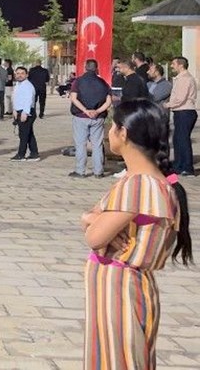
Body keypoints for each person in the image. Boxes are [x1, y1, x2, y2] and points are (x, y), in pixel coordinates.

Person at [80, 99, 193, 369]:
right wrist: (95, 219)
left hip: (120, 288)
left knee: (120, 359)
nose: (109, 132)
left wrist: (91, 220)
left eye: (112, 126)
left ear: (124, 133)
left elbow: (94, 236)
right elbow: (98, 220)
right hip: (124, 285)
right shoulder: (154, 182)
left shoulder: (139, 184)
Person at [69, 59, 113, 179]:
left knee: (81, 144)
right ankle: (98, 171)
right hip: (98, 118)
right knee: (97, 144)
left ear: (85, 67)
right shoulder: (103, 83)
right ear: (96, 68)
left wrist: (85, 110)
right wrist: (97, 111)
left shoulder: (78, 82)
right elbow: (109, 101)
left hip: (81, 116)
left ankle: (80, 170)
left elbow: (74, 98)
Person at [165, 56, 197, 176]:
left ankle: (187, 167)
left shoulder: (185, 79)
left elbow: (180, 98)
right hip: (180, 112)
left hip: (185, 111)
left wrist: (167, 105)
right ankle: (179, 165)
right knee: (178, 139)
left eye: (173, 64)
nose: (172, 66)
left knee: (183, 140)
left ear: (181, 65)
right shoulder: (180, 78)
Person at [10, 66, 40, 161]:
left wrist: (25, 113)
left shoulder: (28, 86)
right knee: (28, 133)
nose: (19, 75)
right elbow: (16, 98)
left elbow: (29, 100)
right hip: (19, 111)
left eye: (22, 73)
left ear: (26, 75)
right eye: (18, 73)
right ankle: (34, 154)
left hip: (26, 112)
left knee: (23, 135)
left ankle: (21, 154)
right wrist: (14, 110)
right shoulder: (18, 85)